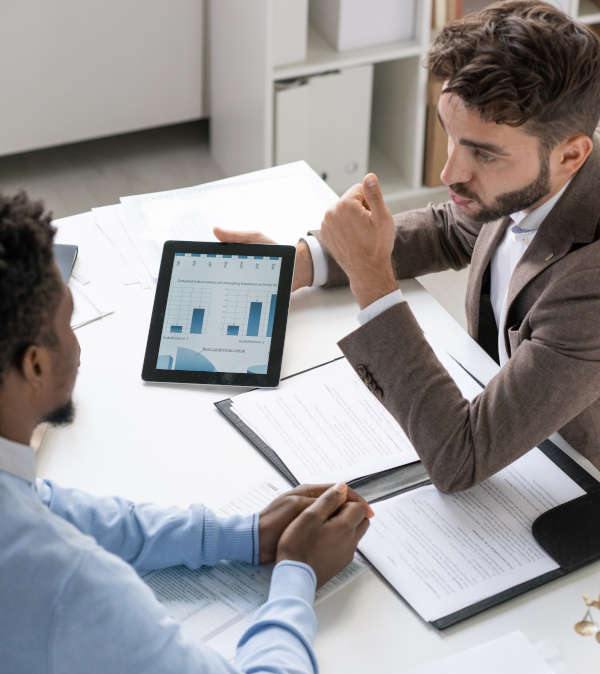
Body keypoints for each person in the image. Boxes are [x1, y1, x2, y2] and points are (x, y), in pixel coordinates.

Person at [0, 191, 372, 674]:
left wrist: (236, 535)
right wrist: (296, 573)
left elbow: (46, 504)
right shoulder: (73, 588)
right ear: (35, 365)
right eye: (69, 324)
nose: (80, 348)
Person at [215, 0, 600, 493]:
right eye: (450, 136)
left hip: (571, 481)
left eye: (483, 153)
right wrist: (307, 262)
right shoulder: (536, 176)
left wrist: (371, 278)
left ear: (571, 154)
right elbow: (454, 229)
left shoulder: (590, 288)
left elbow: (461, 457)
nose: (449, 175)